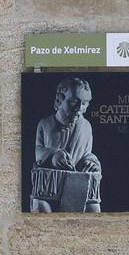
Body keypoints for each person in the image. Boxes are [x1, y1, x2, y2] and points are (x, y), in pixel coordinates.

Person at [31, 76, 102, 213]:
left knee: (94, 210)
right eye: (73, 102)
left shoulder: (86, 127)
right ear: (60, 99)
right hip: (48, 187)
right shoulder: (45, 124)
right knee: (41, 208)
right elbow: (37, 151)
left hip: (77, 185)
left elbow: (86, 153)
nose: (79, 108)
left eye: (84, 103)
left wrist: (92, 162)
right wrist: (53, 155)